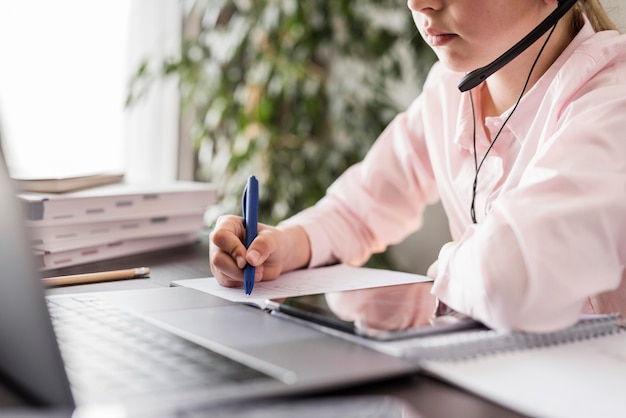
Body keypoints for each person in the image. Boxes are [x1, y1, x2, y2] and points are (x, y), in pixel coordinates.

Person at [209, 0, 626, 332]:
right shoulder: (448, 89)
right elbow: (359, 209)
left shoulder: (612, 103)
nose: (418, 3)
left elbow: (509, 281)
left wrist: (447, 266)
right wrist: (283, 246)